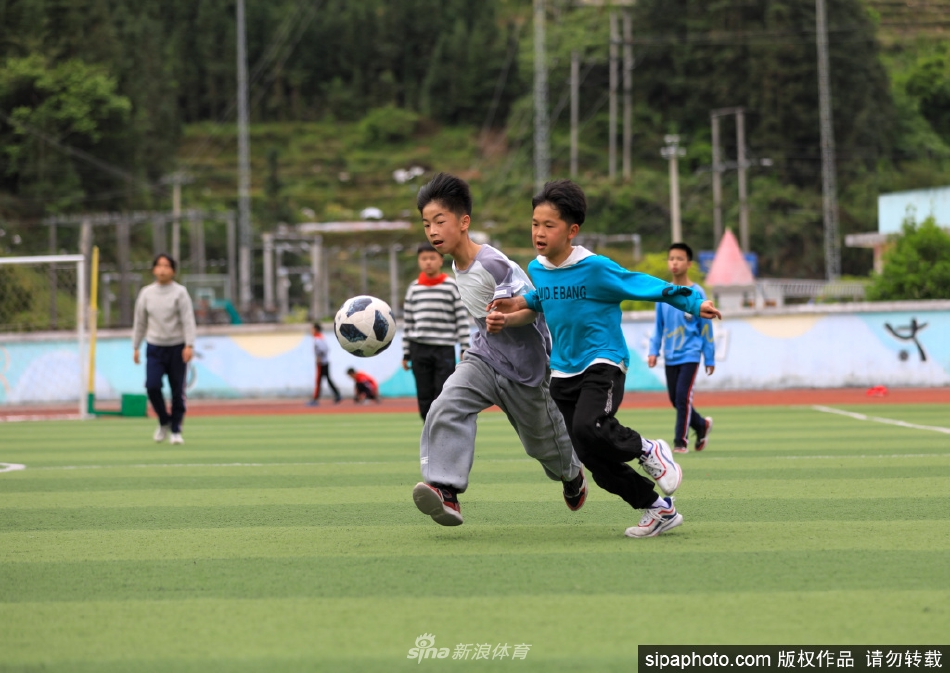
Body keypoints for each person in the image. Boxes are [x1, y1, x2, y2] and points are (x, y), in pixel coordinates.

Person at [487, 179, 722, 538]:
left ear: (572, 230)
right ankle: (657, 508)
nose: (539, 232)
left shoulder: (595, 268)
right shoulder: (537, 269)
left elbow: (643, 284)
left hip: (603, 361)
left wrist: (693, 302)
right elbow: (542, 299)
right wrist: (512, 309)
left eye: (549, 225)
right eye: (535, 224)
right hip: (563, 372)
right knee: (591, 455)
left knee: (588, 426)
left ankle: (648, 449)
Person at [411, 172, 587, 527]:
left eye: (439, 221)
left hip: (525, 367)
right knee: (447, 403)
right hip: (483, 356)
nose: (432, 231)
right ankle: (445, 490)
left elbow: (532, 307)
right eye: (426, 224)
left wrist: (506, 319)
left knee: (541, 445)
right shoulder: (455, 265)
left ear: (464, 222)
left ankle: (571, 474)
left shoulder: (493, 263)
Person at [648, 243, 716, 453]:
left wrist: (709, 357)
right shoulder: (664, 293)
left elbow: (706, 327)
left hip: (691, 354)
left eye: (679, 259)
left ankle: (680, 442)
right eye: (671, 259)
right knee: (675, 399)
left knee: (682, 398)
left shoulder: (697, 293)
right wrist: (653, 350)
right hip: (670, 355)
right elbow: (658, 326)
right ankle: (701, 425)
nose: (674, 263)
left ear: (689, 264)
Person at [132, 253, 197, 445]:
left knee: (177, 391)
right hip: (154, 347)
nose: (162, 269)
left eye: (167, 266)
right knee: (152, 386)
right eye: (159, 265)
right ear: (154, 269)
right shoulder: (146, 293)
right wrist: (136, 346)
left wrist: (189, 344)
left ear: (173, 271)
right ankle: (163, 420)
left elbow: (188, 320)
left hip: (177, 347)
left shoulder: (180, 293)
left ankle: (176, 430)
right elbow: (140, 321)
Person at [402, 241, 471, 420]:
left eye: (432, 258)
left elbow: (461, 318)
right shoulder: (414, 288)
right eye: (424, 258)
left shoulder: (451, 286)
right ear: (419, 261)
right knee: (424, 395)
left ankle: (443, 430)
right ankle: (429, 431)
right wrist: (406, 353)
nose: (428, 262)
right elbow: (408, 323)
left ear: (441, 260)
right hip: (419, 348)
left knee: (443, 394)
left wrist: (464, 347)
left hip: (444, 349)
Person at [309, 322, 342, 406]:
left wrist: (319, 357)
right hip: (324, 362)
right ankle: (337, 394)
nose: (311, 330)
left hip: (321, 363)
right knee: (328, 379)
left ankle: (315, 399)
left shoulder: (317, 339)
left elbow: (324, 349)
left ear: (316, 329)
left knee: (318, 381)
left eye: (312, 329)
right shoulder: (320, 337)